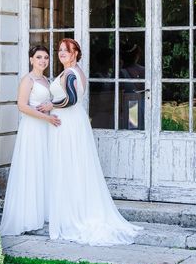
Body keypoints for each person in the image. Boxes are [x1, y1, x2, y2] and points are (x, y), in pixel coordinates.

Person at [38, 38, 142, 245]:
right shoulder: (72, 71)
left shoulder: (70, 73)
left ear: (75, 53)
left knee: (70, 164)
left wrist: (51, 104)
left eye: (65, 51)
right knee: (72, 165)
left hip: (68, 122)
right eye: (59, 50)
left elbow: (71, 99)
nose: (61, 54)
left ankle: (75, 212)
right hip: (71, 121)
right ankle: (69, 207)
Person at [0, 45, 61, 236]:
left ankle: (41, 212)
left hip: (44, 127)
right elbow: (22, 106)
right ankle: (27, 216)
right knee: (31, 167)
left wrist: (50, 112)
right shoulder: (28, 80)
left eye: (46, 58)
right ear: (31, 59)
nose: (43, 61)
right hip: (33, 127)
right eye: (39, 57)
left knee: (42, 167)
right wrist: (47, 117)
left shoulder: (44, 79)